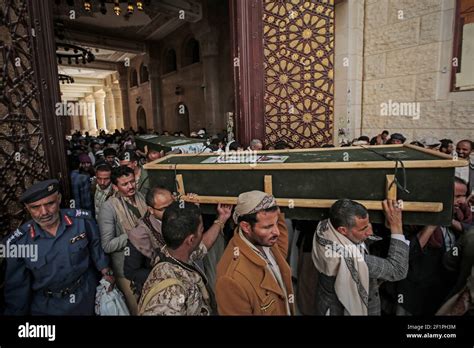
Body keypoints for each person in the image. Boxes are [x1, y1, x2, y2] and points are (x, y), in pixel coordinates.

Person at [4, 180, 114, 315]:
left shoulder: (81, 221)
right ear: (27, 208)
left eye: (50, 204)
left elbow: (95, 247)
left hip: (87, 296)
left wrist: (106, 272)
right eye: (35, 207)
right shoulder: (19, 243)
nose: (44, 212)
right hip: (49, 307)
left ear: (59, 199)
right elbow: (17, 290)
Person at [312, 199, 409, 315]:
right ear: (343, 230)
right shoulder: (349, 258)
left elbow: (359, 239)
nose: (369, 232)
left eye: (368, 224)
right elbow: (397, 270)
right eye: (363, 229)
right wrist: (396, 226)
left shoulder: (325, 227)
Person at [138, 200, 231, 315]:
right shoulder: (170, 296)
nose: (202, 233)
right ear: (191, 240)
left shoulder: (173, 254)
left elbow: (202, 245)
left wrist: (221, 219)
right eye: (201, 230)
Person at [216, 191, 295, 315]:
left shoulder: (265, 240)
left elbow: (281, 253)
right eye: (267, 227)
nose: (277, 232)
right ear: (246, 227)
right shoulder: (231, 279)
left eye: (276, 223)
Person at [99, 166, 148, 315]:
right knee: (137, 309)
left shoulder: (141, 197)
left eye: (132, 181)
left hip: (148, 262)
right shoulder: (109, 207)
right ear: (115, 186)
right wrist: (134, 233)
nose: (131, 186)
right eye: (125, 184)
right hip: (127, 269)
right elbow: (107, 245)